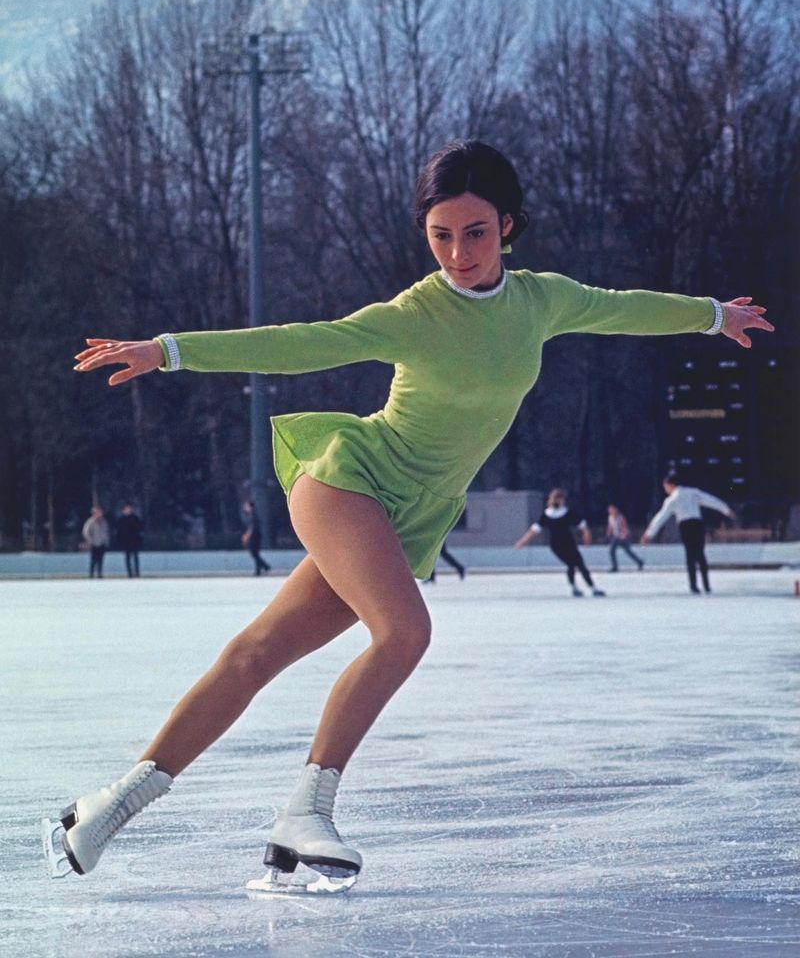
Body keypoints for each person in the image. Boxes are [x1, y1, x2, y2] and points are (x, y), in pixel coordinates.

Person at [47, 139, 772, 893]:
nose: (458, 253)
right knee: (406, 632)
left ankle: (105, 808)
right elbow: (302, 345)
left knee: (255, 654)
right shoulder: (417, 313)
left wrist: (713, 315)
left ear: (509, 226)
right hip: (349, 479)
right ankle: (306, 813)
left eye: (476, 232)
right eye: (441, 235)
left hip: (409, 513)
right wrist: (167, 351)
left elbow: (623, 309)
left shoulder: (542, 300)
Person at [641, 473, 734, 594]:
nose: (665, 490)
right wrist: (726, 510)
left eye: (666, 487)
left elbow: (661, 517)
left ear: (671, 485)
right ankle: (706, 585)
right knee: (700, 553)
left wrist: (649, 534)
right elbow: (711, 500)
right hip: (698, 524)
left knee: (690, 555)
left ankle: (693, 585)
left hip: (686, 525)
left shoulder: (672, 499)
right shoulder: (693, 492)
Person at [513, 489, 605, 596]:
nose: (560, 501)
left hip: (569, 543)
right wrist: (522, 542)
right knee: (572, 564)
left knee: (579, 564)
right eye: (558, 499)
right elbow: (534, 530)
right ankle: (576, 587)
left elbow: (582, 525)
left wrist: (587, 536)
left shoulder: (567, 512)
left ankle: (591, 588)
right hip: (556, 546)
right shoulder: (547, 514)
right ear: (553, 500)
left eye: (562, 499)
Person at [606, 503, 644, 572]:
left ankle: (615, 567)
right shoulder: (610, 517)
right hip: (616, 536)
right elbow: (610, 527)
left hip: (622, 537)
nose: (610, 511)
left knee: (614, 550)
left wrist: (623, 535)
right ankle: (639, 561)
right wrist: (608, 533)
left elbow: (625, 527)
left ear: (616, 509)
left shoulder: (621, 517)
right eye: (609, 509)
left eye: (612, 509)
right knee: (625, 551)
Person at [241, 500, 271, 576]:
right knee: (255, 554)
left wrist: (247, 536)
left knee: (254, 553)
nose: (245, 508)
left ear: (251, 507)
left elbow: (252, 528)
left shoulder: (253, 516)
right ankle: (261, 569)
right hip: (255, 536)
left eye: (246, 506)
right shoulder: (252, 515)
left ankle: (265, 567)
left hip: (255, 537)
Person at [81, 506, 110, 579]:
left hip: (102, 544)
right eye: (98, 512)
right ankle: (91, 575)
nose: (100, 514)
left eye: (100, 512)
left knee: (101, 560)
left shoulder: (104, 522)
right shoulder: (90, 522)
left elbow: (106, 532)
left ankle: (99, 574)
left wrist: (106, 541)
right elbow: (85, 532)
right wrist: (90, 540)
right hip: (94, 544)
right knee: (93, 560)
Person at [116, 502, 144, 578]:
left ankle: (137, 572)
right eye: (127, 509)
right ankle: (129, 573)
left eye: (130, 508)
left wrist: (139, 539)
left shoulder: (135, 518)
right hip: (126, 541)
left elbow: (140, 529)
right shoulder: (121, 520)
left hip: (134, 541)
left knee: (135, 557)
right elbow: (119, 532)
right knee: (127, 558)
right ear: (124, 510)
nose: (128, 510)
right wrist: (120, 541)